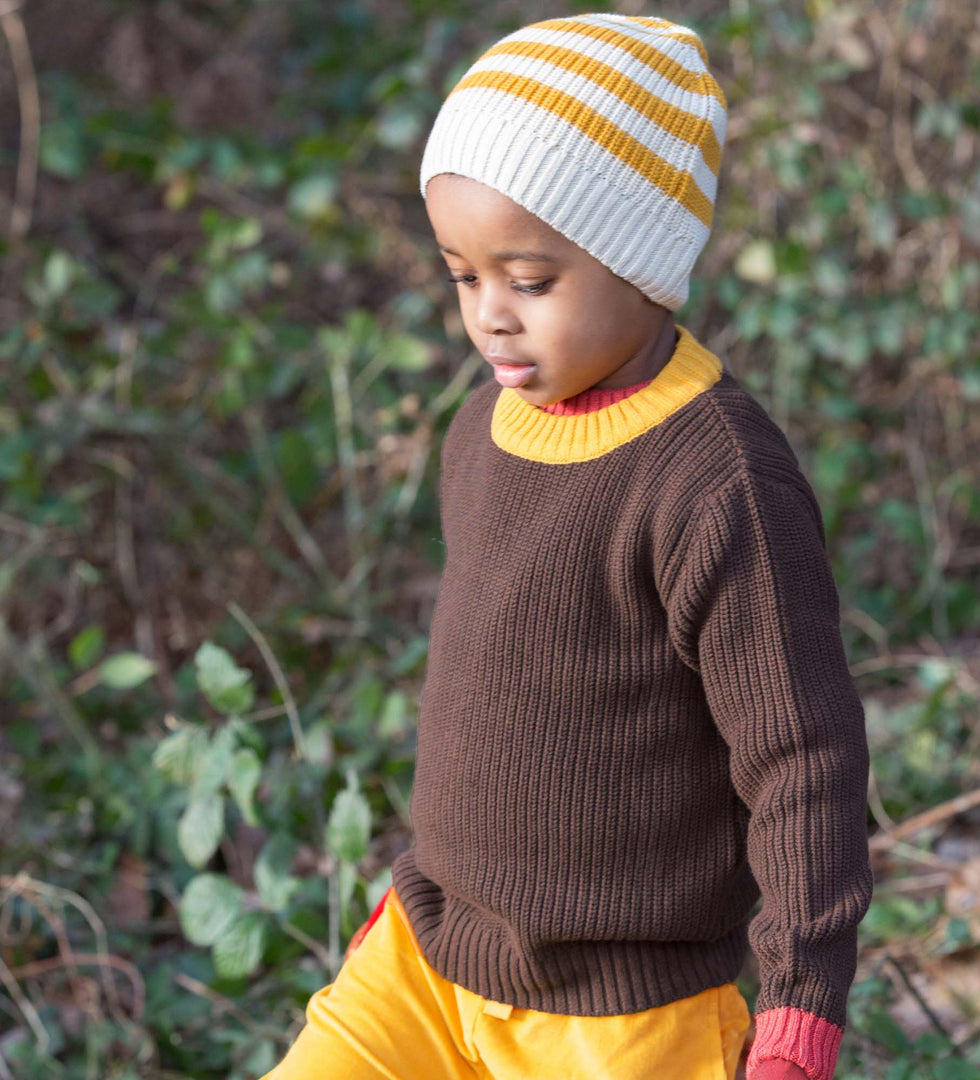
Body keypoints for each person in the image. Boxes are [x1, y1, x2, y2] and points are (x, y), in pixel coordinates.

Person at [261, 12, 874, 1080]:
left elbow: (805, 763)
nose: (490, 316)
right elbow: (487, 694)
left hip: (623, 1015)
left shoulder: (718, 482)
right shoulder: (483, 428)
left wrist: (801, 1006)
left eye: (529, 280)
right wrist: (425, 887)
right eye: (463, 275)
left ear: (641, 262)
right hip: (427, 963)